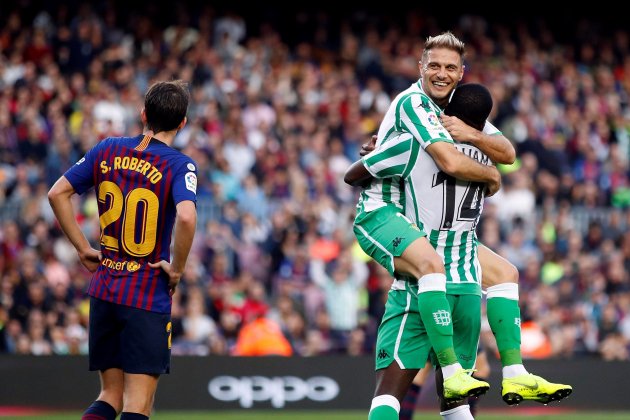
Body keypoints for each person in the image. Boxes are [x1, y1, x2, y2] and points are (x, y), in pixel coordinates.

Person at [345, 32, 570, 419]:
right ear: (421, 67)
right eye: (434, 65)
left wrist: (472, 136)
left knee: (503, 273)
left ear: (461, 74)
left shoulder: (461, 113)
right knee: (430, 268)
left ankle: (512, 372)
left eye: (450, 67)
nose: (442, 73)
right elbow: (450, 162)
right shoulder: (414, 103)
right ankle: (452, 371)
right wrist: (491, 176)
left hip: (445, 236)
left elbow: (509, 153)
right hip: (388, 214)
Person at [48, 80, 198, 420]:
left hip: (104, 288)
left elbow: (57, 193)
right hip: (145, 292)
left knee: (109, 396)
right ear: (182, 123)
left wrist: (83, 247)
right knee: (138, 404)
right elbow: (187, 217)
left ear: (143, 114)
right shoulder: (179, 164)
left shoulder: (107, 148)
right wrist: (176, 269)